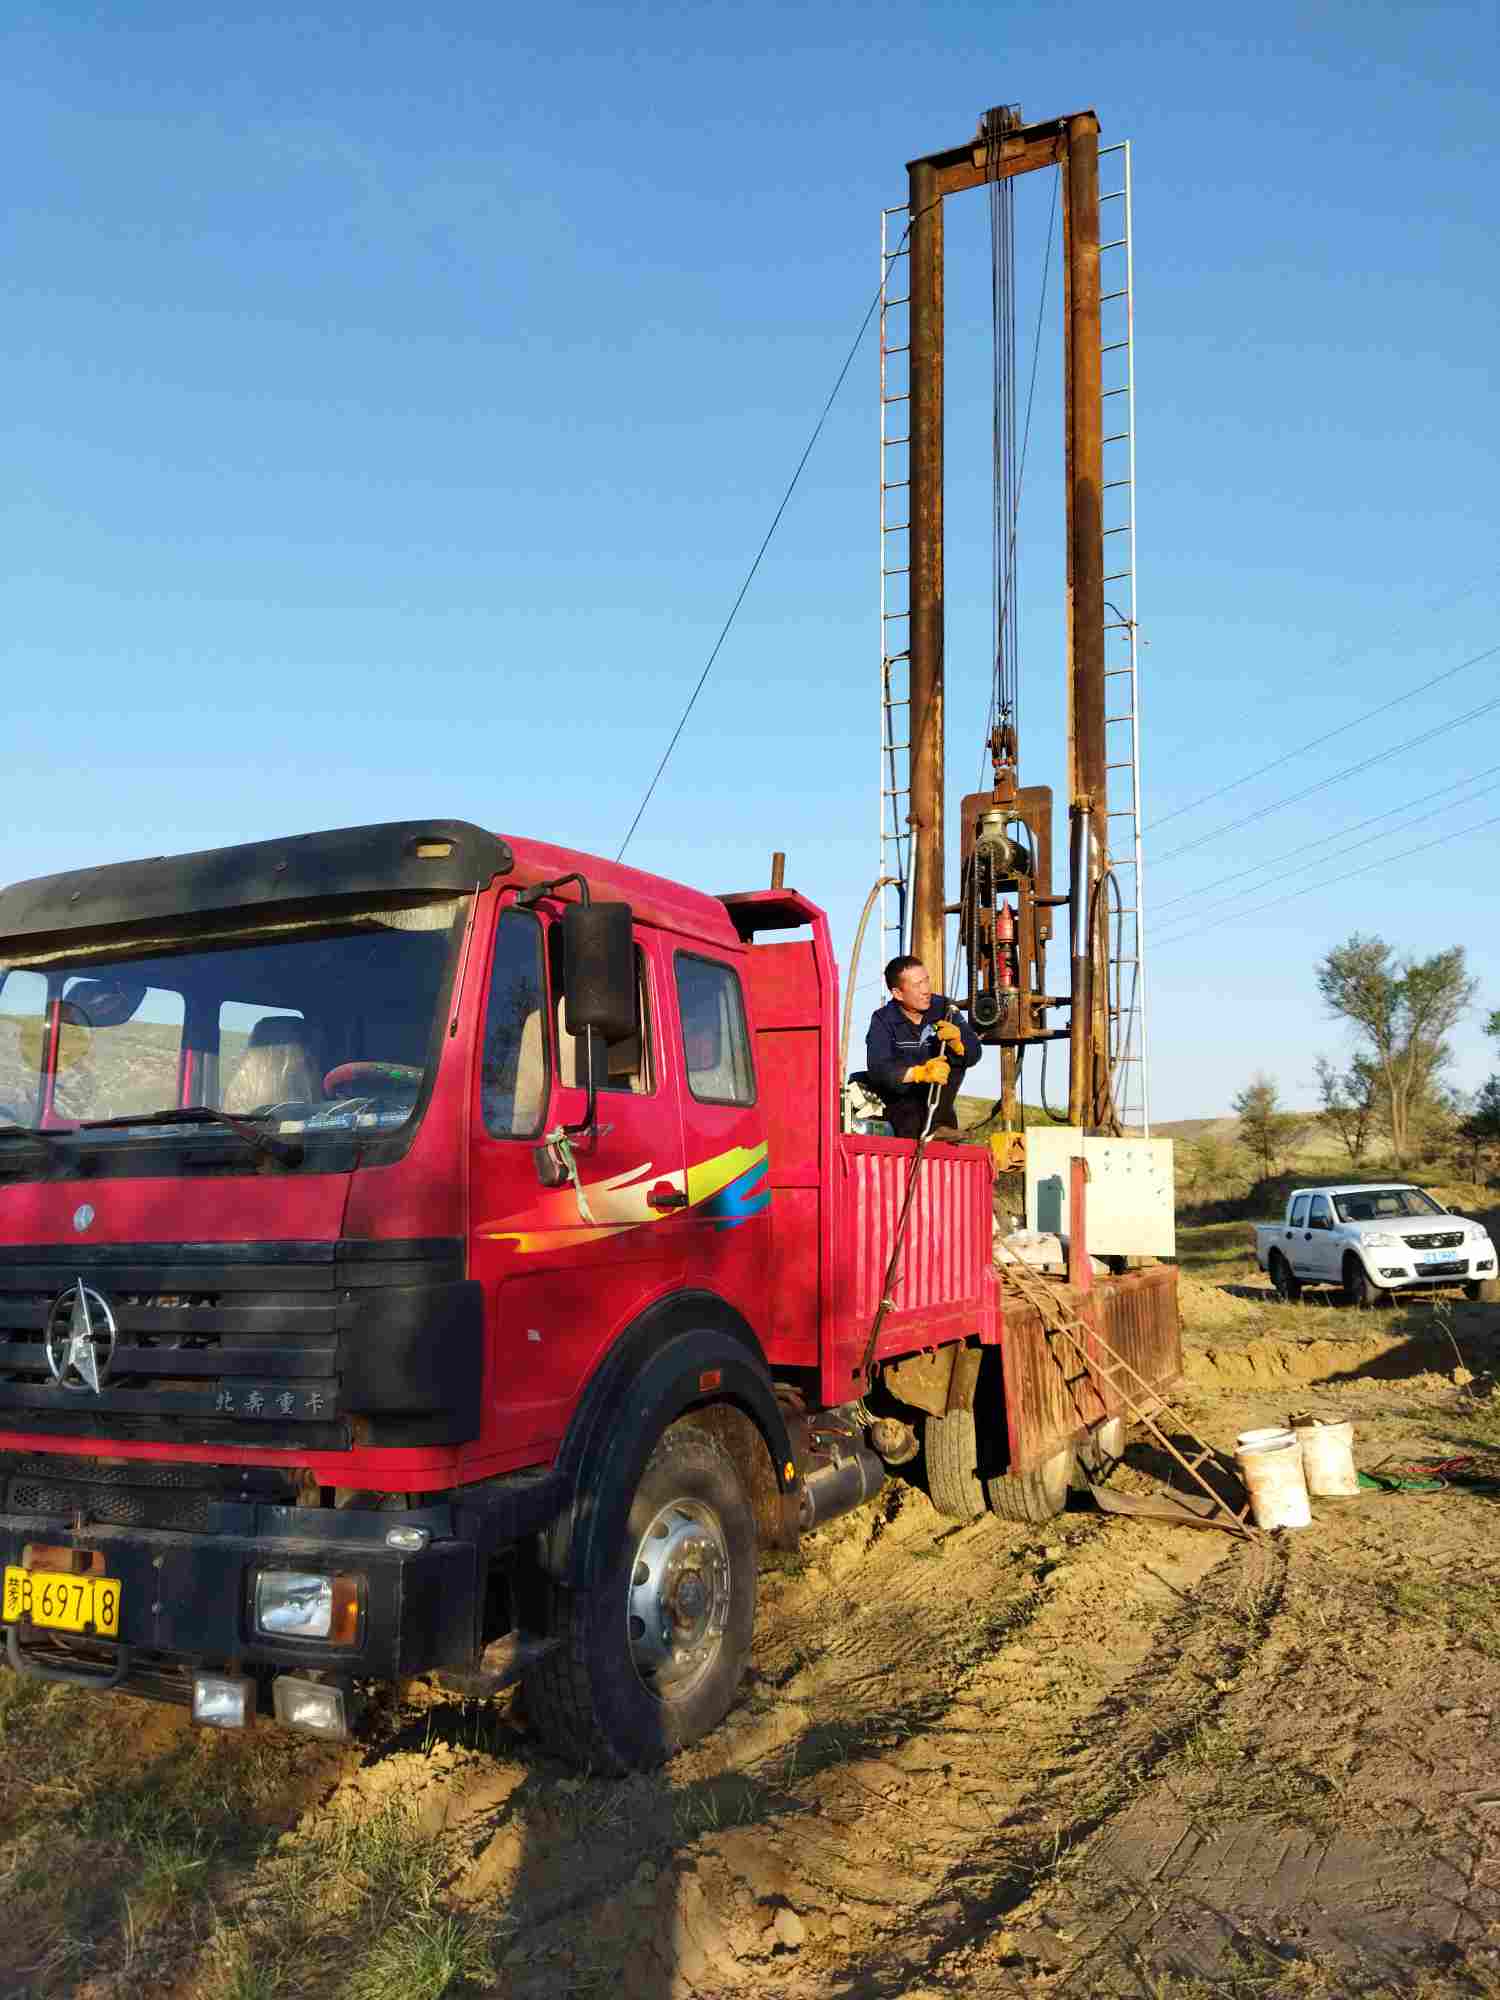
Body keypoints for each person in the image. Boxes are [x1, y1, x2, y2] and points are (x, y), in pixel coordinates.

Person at [864, 955, 982, 1140]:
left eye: (926, 981)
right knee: (906, 1107)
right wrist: (919, 1074)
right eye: (917, 985)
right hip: (900, 1108)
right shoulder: (883, 1020)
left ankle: (939, 1126)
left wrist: (959, 1045)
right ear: (898, 993)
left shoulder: (945, 1008)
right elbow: (879, 1069)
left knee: (953, 1057)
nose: (926, 990)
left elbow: (975, 1054)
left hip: (939, 1107)